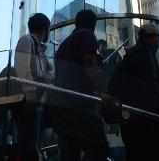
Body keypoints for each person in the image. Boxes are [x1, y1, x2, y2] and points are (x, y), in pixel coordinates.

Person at [49, 9, 115, 161]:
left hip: (62, 106)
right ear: (93, 24)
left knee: (69, 153)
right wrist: (102, 93)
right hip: (81, 104)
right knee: (99, 149)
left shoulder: (64, 44)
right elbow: (90, 64)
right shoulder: (86, 35)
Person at [107, 24, 159, 160]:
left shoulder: (131, 55)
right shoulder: (145, 52)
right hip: (145, 123)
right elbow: (150, 83)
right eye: (158, 39)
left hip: (130, 122)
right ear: (155, 38)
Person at [14, 12, 53, 147]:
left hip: (38, 103)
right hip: (29, 103)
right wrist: (31, 96)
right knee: (27, 144)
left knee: (34, 144)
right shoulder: (26, 40)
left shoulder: (41, 50)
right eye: (49, 29)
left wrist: (50, 75)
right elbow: (22, 69)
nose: (50, 32)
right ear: (45, 28)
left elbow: (53, 70)